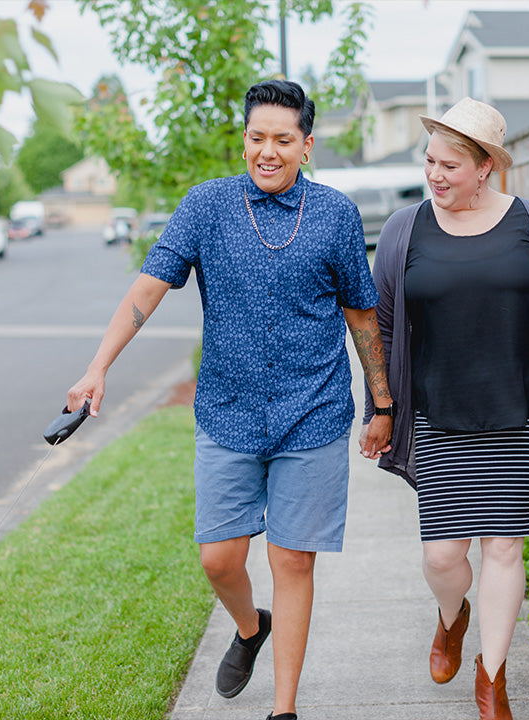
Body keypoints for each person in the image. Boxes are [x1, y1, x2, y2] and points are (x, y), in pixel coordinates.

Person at [66, 79, 395, 720]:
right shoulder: (206, 206)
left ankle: (285, 709)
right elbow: (147, 289)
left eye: (282, 140)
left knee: (293, 559)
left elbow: (362, 316)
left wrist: (380, 405)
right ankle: (250, 626)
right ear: (243, 140)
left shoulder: (333, 214)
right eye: (256, 138)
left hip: (314, 411)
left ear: (306, 145)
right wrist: (97, 368)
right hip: (228, 411)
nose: (267, 151)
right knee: (219, 559)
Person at [361, 97, 529, 720]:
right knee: (444, 556)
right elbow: (382, 327)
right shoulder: (404, 230)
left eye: (450, 164)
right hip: (438, 415)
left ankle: (492, 679)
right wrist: (381, 408)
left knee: (504, 550)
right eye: (429, 161)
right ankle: (452, 617)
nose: (436, 174)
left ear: (484, 168)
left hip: (520, 414)